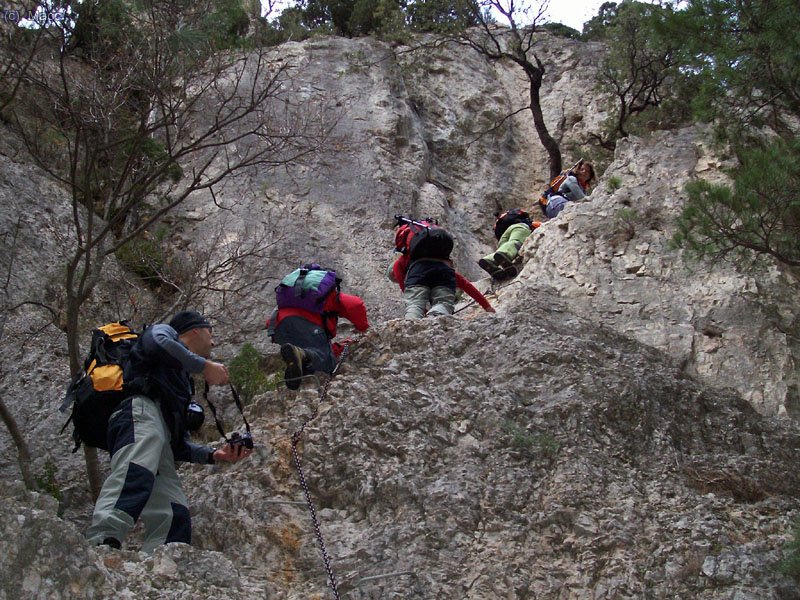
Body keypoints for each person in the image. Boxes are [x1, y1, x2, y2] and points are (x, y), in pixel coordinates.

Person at [86, 310, 251, 552]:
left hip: (161, 433)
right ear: (195, 330)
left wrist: (214, 454)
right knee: (135, 472)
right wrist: (203, 366)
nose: (213, 342)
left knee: (175, 510)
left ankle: (164, 559)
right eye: (210, 333)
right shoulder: (163, 332)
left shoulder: (181, 380)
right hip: (139, 412)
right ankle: (102, 542)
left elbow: (179, 446)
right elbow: (157, 343)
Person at [267, 266, 369, 390]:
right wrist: (364, 329)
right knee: (327, 362)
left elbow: (321, 348)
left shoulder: (299, 296)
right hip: (305, 323)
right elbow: (356, 304)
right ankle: (302, 355)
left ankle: (300, 376)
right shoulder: (329, 295)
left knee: (309, 356)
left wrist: (340, 347)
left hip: (278, 327)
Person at [389, 219, 495, 319]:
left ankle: (412, 323)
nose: (395, 277)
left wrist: (422, 311)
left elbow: (405, 288)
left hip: (417, 274)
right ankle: (435, 318)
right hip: (444, 273)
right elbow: (466, 285)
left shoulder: (402, 262)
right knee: (443, 303)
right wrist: (487, 306)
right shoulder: (441, 263)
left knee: (415, 305)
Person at [478, 209, 541, 278]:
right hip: (518, 228)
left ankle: (489, 260)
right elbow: (539, 226)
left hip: (503, 238)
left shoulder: (501, 222)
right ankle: (506, 254)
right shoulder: (523, 221)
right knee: (516, 242)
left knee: (500, 252)